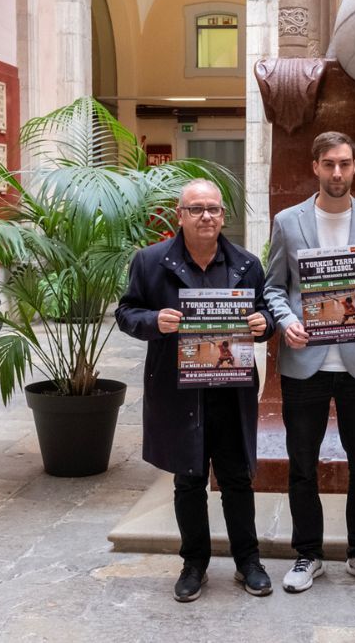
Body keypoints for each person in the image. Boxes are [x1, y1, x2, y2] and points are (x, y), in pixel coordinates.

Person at [115, 179, 276, 602]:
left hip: (230, 390)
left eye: (214, 209)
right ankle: (194, 564)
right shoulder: (150, 262)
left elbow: (263, 312)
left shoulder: (246, 263)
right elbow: (126, 311)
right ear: (180, 215)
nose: (207, 216)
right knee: (188, 480)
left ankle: (249, 562)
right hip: (178, 391)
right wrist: (154, 322)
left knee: (237, 479)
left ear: (224, 216)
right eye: (196, 208)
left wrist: (264, 325)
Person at [264, 131, 355, 593]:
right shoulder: (287, 221)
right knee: (302, 463)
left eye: (344, 163)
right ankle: (308, 555)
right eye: (329, 164)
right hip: (305, 362)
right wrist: (285, 322)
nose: (337, 172)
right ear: (315, 167)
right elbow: (273, 288)